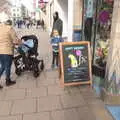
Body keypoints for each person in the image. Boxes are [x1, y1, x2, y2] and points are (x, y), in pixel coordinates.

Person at [0, 20, 20, 89]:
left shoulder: (1, 28)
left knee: (2, 66)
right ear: (11, 24)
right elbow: (15, 40)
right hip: (7, 51)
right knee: (7, 66)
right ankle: (8, 81)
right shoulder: (10, 29)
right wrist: (19, 43)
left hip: (0, 51)